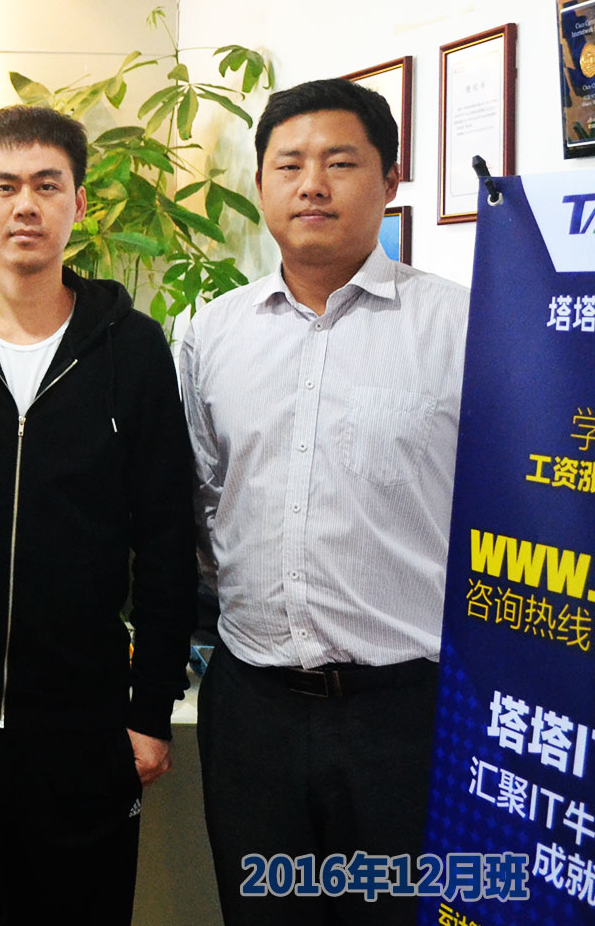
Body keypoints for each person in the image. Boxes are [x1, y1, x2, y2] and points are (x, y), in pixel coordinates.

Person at [0, 105, 198, 924]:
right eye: (5, 186)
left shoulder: (132, 348)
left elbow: (167, 538)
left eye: (48, 186)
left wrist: (150, 710)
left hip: (83, 733)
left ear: (79, 204)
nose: (26, 205)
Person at [180, 78, 468, 925]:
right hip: (252, 713)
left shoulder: (461, 327)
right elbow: (202, 499)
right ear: (261, 184)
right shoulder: (210, 333)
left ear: (390, 179)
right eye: (289, 165)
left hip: (406, 715)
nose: (312, 185)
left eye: (340, 162)